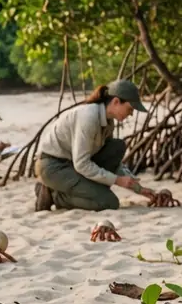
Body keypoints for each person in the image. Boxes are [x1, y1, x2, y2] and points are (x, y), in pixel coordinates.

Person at [33, 79, 156, 211]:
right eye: (129, 109)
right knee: (109, 202)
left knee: (117, 147)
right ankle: (54, 195)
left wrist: (138, 188)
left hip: (72, 165)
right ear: (116, 102)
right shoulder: (89, 117)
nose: (131, 114)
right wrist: (116, 180)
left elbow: (115, 164)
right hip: (53, 167)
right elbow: (81, 164)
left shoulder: (108, 123)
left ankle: (78, 190)